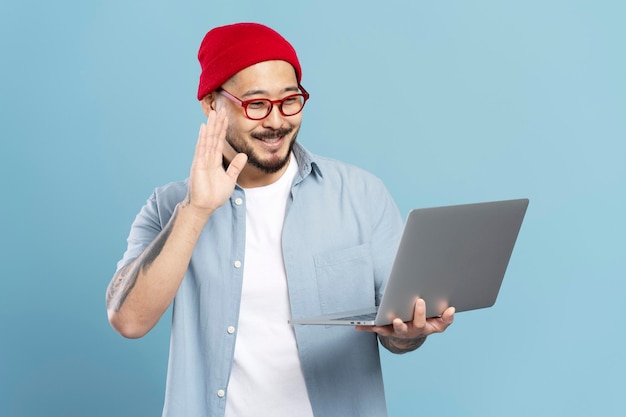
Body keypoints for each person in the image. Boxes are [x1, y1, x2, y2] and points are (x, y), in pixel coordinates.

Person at [106, 22, 455, 417]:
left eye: (291, 100)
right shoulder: (169, 206)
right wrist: (196, 209)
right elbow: (129, 321)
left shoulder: (361, 194)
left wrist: (410, 334)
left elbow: (397, 331)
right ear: (210, 104)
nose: (277, 122)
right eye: (256, 104)